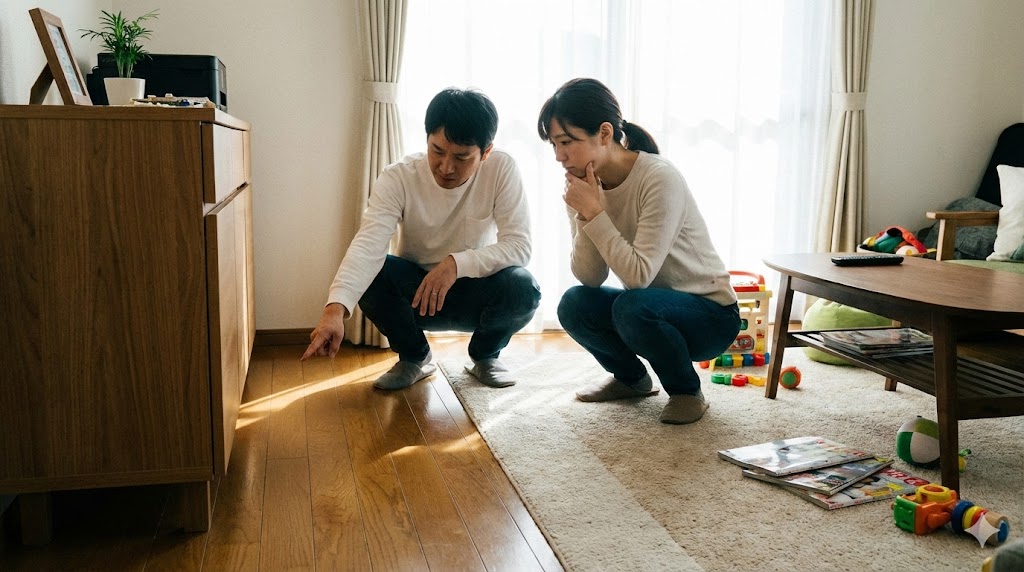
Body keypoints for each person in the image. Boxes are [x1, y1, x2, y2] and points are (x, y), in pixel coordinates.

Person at [302, 88, 541, 390]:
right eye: (437, 150)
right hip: (417, 293)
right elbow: (368, 245)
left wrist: (455, 264)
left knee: (523, 287)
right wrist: (334, 310)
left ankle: (485, 356)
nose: (446, 167)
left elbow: (519, 245)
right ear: (426, 139)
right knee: (373, 275)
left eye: (462, 157)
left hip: (476, 291)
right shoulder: (399, 177)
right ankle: (415, 357)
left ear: (486, 152)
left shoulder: (502, 168)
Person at [536, 78, 740, 424]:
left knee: (632, 306)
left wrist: (595, 213)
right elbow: (589, 276)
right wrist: (585, 212)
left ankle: (686, 392)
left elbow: (637, 277)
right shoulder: (582, 185)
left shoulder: (658, 177)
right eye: (554, 144)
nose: (559, 156)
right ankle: (632, 380)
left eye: (566, 142)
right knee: (574, 303)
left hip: (711, 316)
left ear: (604, 133)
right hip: (650, 306)